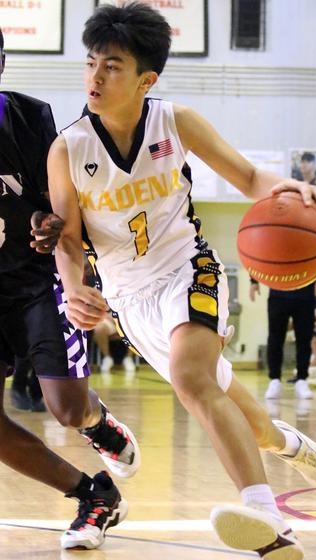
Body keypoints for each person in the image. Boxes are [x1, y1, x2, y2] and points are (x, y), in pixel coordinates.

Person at [45, 4, 316, 558]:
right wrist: (73, 289)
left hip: (189, 270)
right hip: (129, 300)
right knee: (244, 420)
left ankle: (268, 521)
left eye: (111, 66)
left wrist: (293, 190)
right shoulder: (67, 148)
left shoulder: (174, 121)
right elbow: (67, 238)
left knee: (191, 378)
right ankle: (296, 447)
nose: (94, 76)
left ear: (146, 79)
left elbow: (250, 175)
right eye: (90, 63)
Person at [0, 28, 140, 550]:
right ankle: (94, 496)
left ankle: (98, 425)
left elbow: (56, 205)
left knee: (64, 408)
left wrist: (45, 221)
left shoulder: (30, 118)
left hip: (37, 283)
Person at [250, 266, 316, 399]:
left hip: (305, 293)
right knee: (275, 338)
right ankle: (274, 380)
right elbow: (261, 249)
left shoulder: (310, 243)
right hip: (278, 293)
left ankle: (302, 380)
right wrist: (254, 280)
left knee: (304, 338)